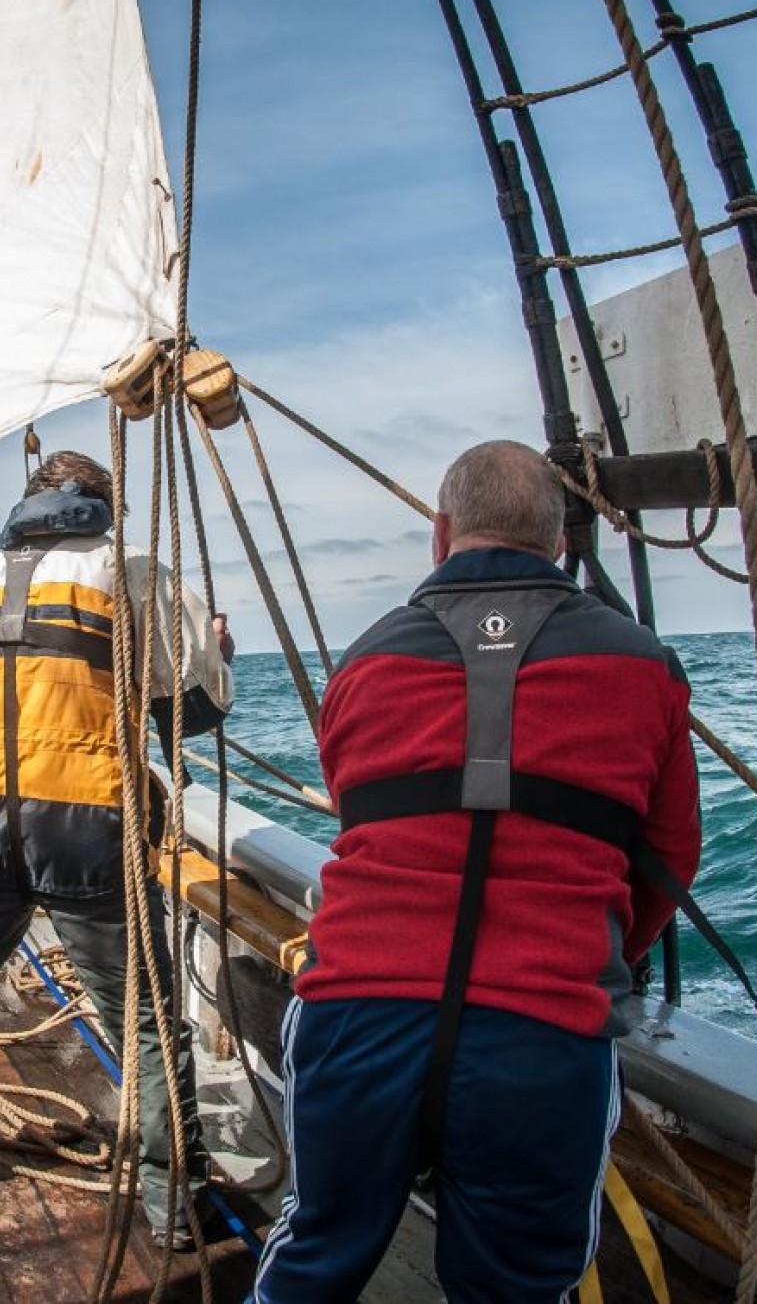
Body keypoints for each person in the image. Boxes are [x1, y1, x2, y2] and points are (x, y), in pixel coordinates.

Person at [251, 440, 701, 1302]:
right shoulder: (644, 667)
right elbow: (671, 855)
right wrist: (601, 953)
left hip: (357, 1019)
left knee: (312, 1260)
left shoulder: (364, 663)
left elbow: (360, 820)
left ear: (441, 532)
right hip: (540, 1037)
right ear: (561, 540)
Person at [0, 450, 234, 1249]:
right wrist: (218, 654)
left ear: (30, 503)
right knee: (150, 1026)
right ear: (101, 503)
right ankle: (171, 1211)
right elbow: (189, 711)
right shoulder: (130, 572)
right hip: (88, 827)